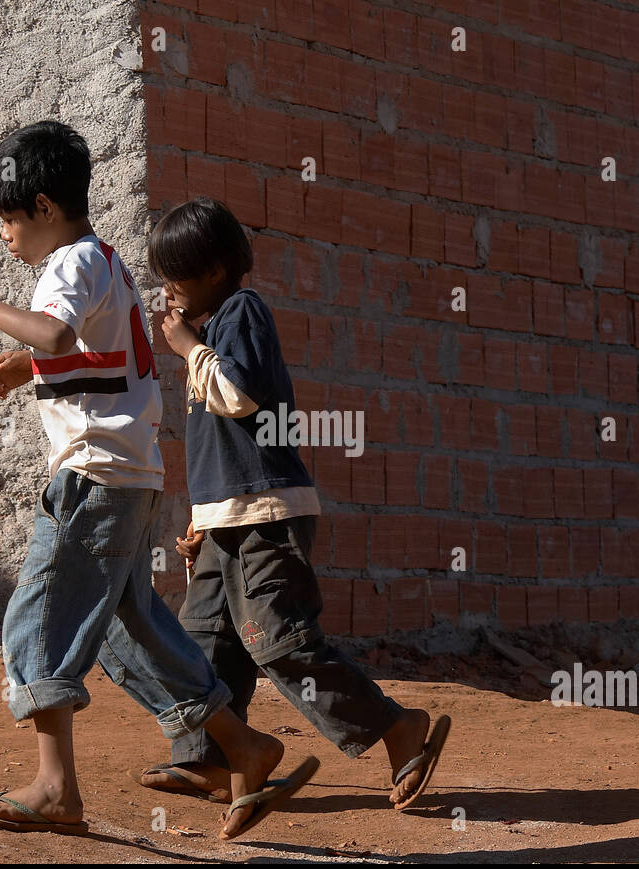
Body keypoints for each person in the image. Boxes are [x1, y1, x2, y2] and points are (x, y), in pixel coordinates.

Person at [0, 122, 316, 840]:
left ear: (44, 207)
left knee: (37, 619)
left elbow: (54, 334)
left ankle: (54, 787)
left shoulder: (68, 265)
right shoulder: (105, 260)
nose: (5, 235)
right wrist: (33, 368)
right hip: (130, 475)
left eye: (9, 218)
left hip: (92, 477)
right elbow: (102, 360)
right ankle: (242, 744)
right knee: (130, 629)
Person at [134, 196, 451, 810]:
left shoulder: (242, 313)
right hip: (229, 517)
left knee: (277, 640)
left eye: (176, 275)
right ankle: (209, 759)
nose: (167, 289)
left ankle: (395, 727)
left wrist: (186, 348)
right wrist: (201, 521)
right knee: (204, 639)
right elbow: (212, 450)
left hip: (266, 513)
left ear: (215, 272)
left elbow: (240, 398)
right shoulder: (211, 332)